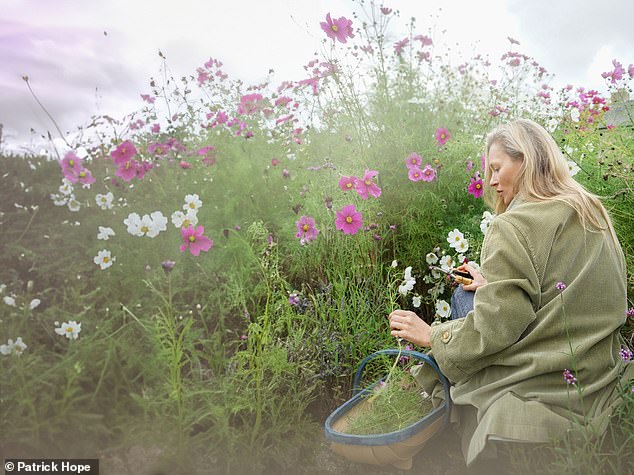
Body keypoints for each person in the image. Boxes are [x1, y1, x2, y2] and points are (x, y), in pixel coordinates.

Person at [388, 118, 633, 467]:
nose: (490, 181)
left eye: (497, 168)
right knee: (469, 296)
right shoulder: (590, 208)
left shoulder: (514, 224)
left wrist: (432, 336)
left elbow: (497, 328)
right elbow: (566, 287)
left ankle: (432, 437)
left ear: (527, 161)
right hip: (598, 365)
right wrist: (491, 285)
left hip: (549, 371)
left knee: (459, 313)